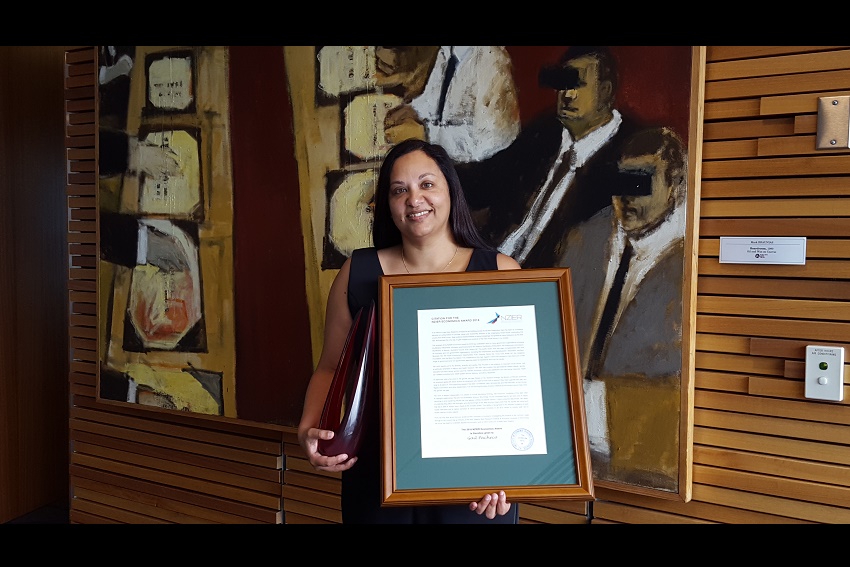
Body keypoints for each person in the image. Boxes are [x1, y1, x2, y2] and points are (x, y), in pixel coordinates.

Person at [298, 138, 522, 523]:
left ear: (451, 191)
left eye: (427, 184)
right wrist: (307, 427)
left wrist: (514, 476)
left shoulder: (500, 272)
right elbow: (330, 368)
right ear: (387, 204)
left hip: (474, 485)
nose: (414, 199)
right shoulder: (359, 273)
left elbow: (522, 389)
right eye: (399, 190)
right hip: (376, 477)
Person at [558, 126, 687, 491]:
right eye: (621, 183)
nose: (626, 198)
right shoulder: (583, 239)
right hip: (564, 450)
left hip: (640, 461)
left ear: (675, 184)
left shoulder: (692, 263)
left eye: (641, 184)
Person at [457, 45, 642, 268]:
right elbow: (486, 180)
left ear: (605, 90)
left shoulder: (630, 154)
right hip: (493, 261)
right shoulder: (545, 131)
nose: (567, 94)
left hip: (550, 284)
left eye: (578, 85)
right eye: (563, 84)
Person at [383, 46, 520, 164]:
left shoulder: (490, 61)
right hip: (440, 155)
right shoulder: (449, 50)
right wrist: (414, 110)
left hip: (472, 172)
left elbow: (491, 138)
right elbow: (434, 99)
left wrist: (427, 134)